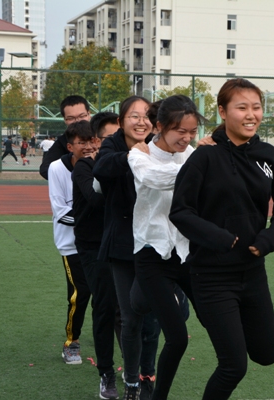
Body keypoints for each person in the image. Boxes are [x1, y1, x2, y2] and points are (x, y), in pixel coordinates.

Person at [169, 78, 274, 400]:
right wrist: (222, 239)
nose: (251, 114)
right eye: (242, 107)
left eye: (256, 107)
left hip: (253, 272)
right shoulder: (204, 157)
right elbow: (181, 212)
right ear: (223, 111)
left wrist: (270, 238)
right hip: (212, 276)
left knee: (268, 353)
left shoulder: (268, 156)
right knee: (233, 366)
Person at [128, 95, 206, 400]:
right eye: (180, 131)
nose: (187, 138)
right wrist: (202, 167)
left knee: (214, 318)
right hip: (151, 255)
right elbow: (154, 178)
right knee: (177, 337)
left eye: (192, 132)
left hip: (185, 253)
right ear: (159, 126)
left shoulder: (191, 155)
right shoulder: (140, 154)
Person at [93, 96, 159, 400]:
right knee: (131, 318)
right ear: (121, 122)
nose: (141, 121)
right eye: (134, 116)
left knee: (155, 320)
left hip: (157, 244)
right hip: (123, 245)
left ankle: (148, 375)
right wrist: (133, 154)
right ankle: (132, 382)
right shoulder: (112, 146)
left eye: (147, 116)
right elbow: (102, 168)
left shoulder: (160, 144)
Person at [71, 120, 119, 399]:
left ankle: (136, 369)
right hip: (93, 246)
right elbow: (95, 199)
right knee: (105, 305)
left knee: (129, 309)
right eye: (107, 137)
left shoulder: (133, 160)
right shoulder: (85, 166)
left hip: (124, 242)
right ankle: (106, 373)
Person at [48, 121, 94, 366]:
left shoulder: (101, 163)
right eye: (82, 142)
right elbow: (61, 212)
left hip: (99, 243)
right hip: (72, 245)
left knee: (109, 296)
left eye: (92, 141)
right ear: (69, 146)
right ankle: (71, 342)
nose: (88, 147)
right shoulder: (57, 168)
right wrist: (94, 220)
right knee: (80, 294)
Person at [40, 95, 91, 180]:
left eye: (82, 116)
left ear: (89, 114)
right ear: (64, 120)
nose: (77, 121)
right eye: (71, 118)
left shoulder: (101, 135)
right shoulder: (62, 141)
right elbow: (45, 169)